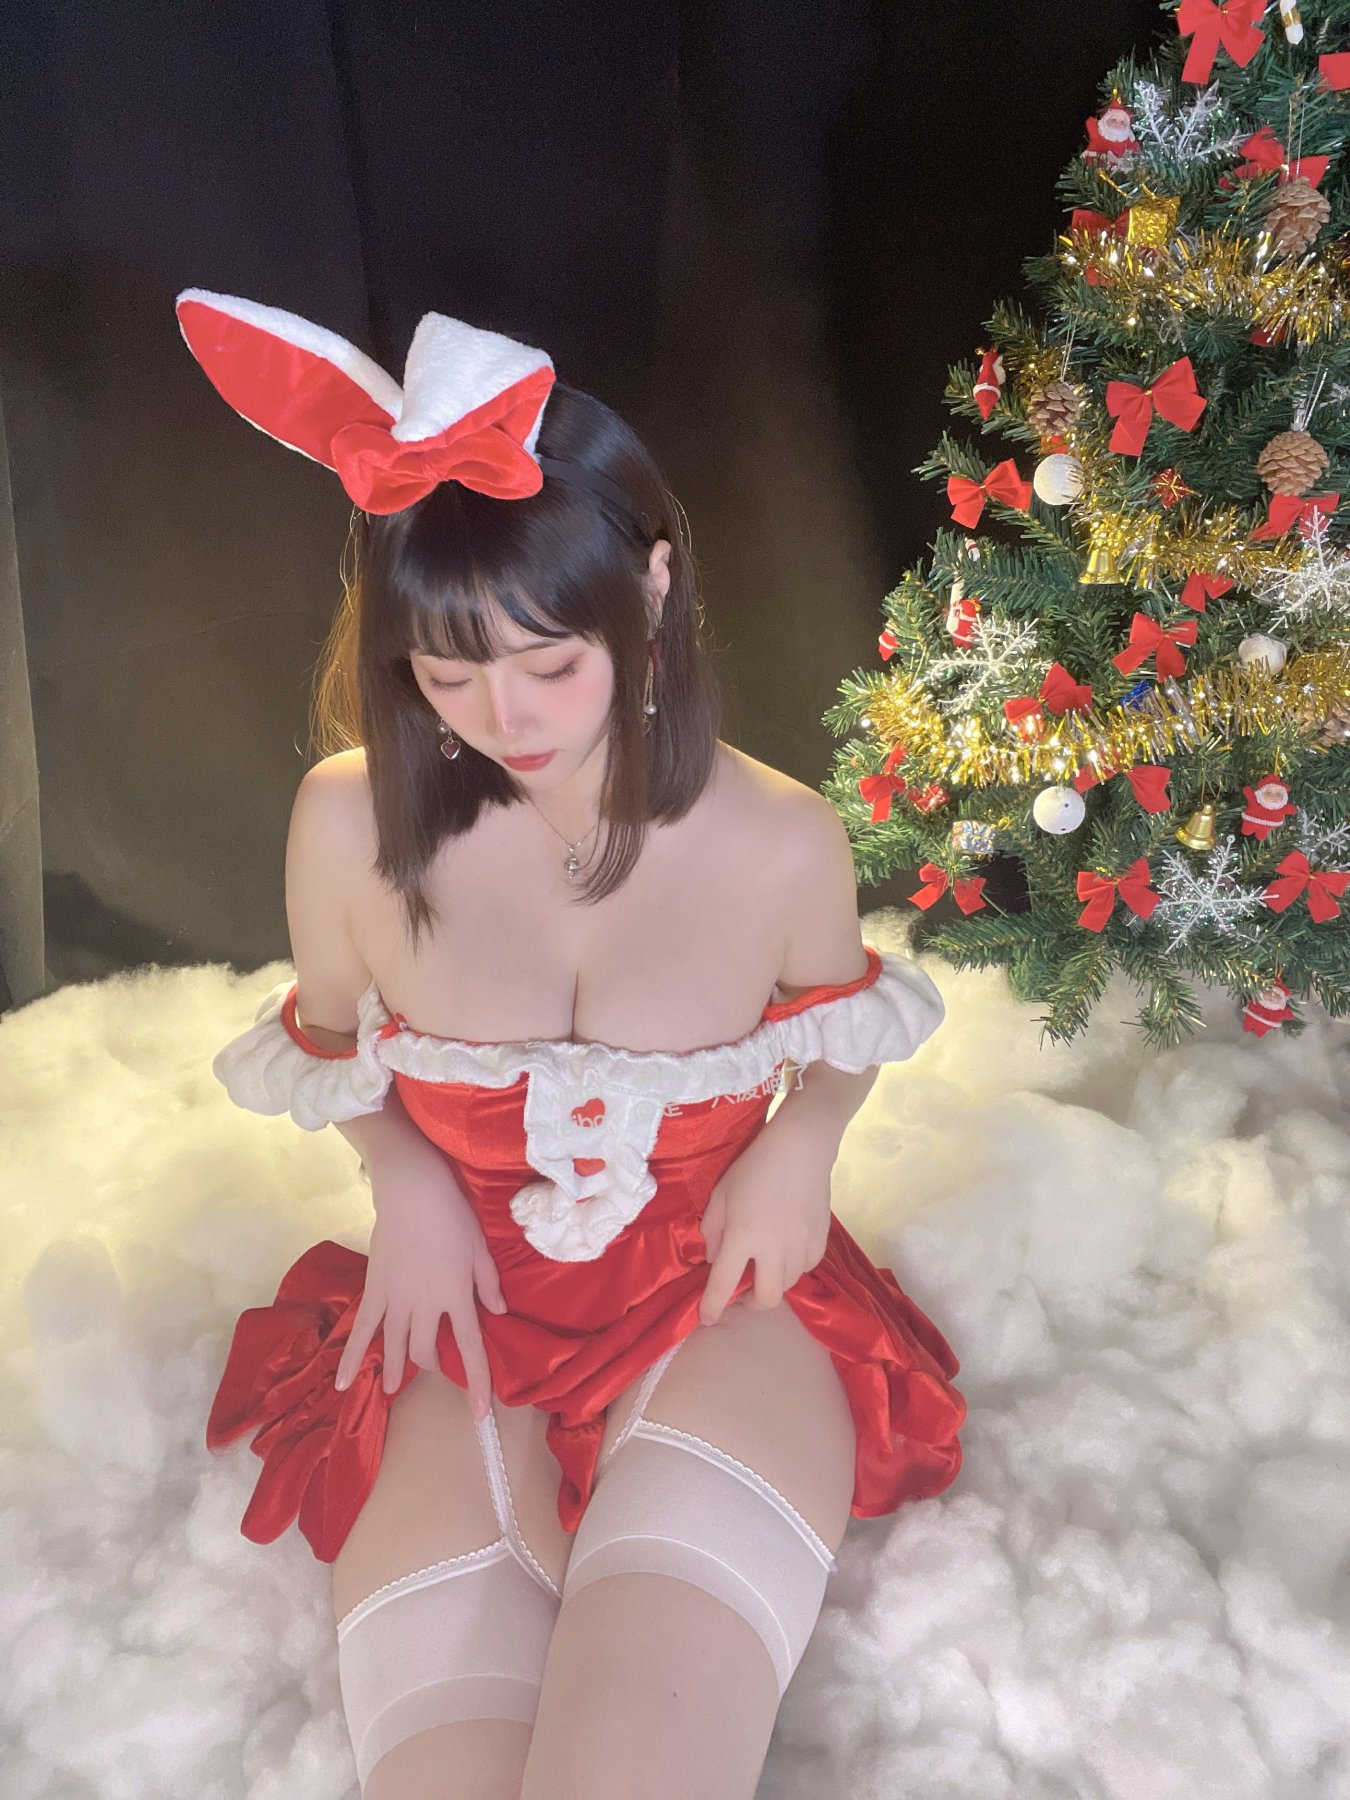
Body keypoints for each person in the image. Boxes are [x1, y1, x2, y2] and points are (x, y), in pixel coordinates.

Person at [181, 288, 968, 1800]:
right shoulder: (348, 823)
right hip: (460, 1316)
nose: (504, 718)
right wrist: (404, 1176)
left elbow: (845, 1032)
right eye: (446, 672)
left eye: (550, 664)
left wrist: (802, 1144)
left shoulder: (778, 838)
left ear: (650, 588)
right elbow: (331, 1046)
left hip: (718, 1301)